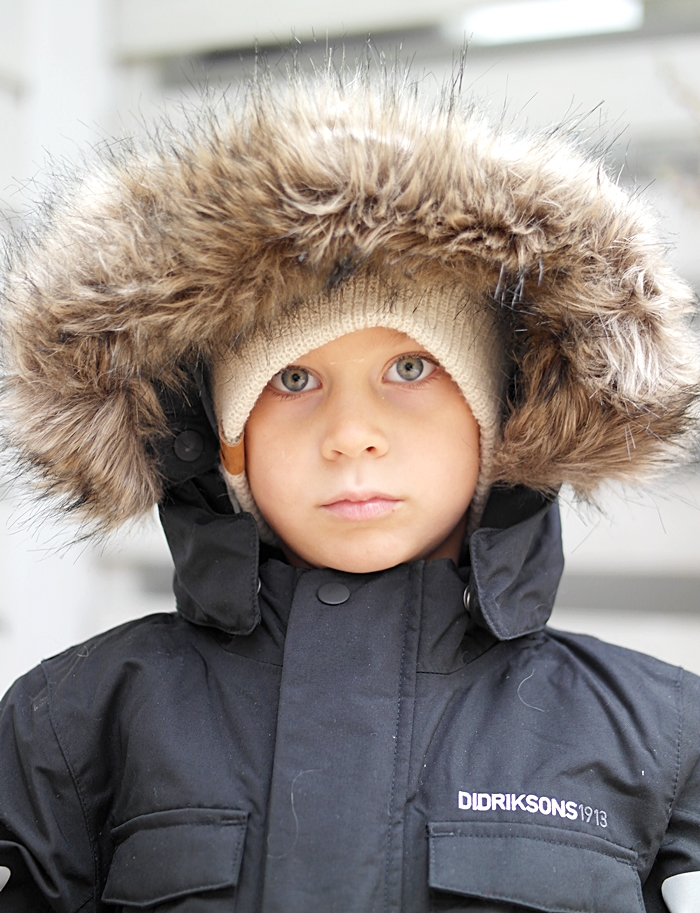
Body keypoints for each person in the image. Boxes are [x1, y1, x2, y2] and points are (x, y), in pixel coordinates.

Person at [1, 67, 699, 913]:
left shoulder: (663, 737)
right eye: (292, 379)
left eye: (410, 368)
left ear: (495, 416)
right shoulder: (75, 722)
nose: (351, 433)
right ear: (228, 443)